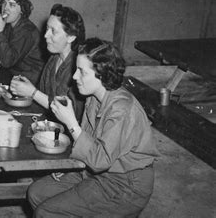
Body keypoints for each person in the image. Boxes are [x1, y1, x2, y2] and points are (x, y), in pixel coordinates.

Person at [27, 38, 159, 217]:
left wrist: (71, 122)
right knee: (36, 193)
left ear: (102, 74)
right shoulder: (93, 98)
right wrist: (68, 166)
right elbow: (88, 143)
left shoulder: (122, 109)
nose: (74, 77)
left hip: (125, 184)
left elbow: (100, 160)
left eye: (81, 71)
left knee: (46, 212)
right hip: (94, 171)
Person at [10, 3, 85, 122]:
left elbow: (68, 112)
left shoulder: (78, 67)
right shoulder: (54, 59)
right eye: (47, 29)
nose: (45, 35)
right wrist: (27, 88)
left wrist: (32, 92)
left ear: (71, 37)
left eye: (53, 31)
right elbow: (44, 96)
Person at [0, 0, 45, 85]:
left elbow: (7, 61)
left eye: (12, 5)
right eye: (4, 3)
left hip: (30, 82)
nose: (5, 8)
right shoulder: (9, 25)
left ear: (22, 10)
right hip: (14, 76)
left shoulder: (27, 31)